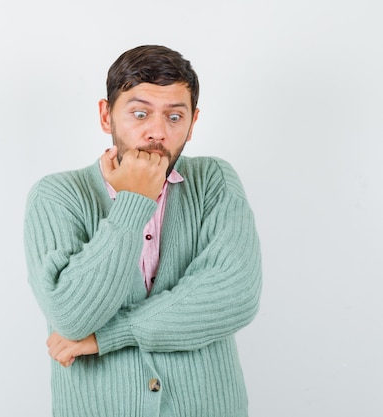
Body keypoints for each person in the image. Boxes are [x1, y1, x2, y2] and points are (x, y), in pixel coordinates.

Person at [23, 45, 262, 417]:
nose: (157, 132)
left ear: (193, 122)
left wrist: (109, 336)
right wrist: (134, 201)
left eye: (174, 117)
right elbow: (71, 316)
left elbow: (234, 294)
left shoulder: (214, 180)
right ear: (106, 116)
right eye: (139, 113)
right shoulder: (56, 195)